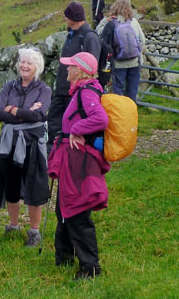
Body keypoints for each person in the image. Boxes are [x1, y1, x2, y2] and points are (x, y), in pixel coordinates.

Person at [47, 52, 110, 280]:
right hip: (71, 159)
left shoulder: (86, 93)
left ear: (80, 70)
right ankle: (64, 256)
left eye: (70, 66)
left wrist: (76, 130)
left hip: (79, 162)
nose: (66, 70)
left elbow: (101, 119)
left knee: (77, 210)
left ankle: (90, 268)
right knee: (64, 207)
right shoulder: (81, 91)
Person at [0, 48, 52, 246]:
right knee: (11, 185)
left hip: (33, 143)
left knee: (34, 186)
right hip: (9, 143)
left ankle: (34, 232)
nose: (24, 66)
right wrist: (25, 112)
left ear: (37, 67)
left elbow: (39, 116)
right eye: (22, 62)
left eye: (29, 63)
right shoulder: (9, 87)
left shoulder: (44, 90)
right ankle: (13, 225)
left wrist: (14, 109)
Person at [47, 2, 101, 150]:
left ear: (73, 18)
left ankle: (67, 151)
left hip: (76, 91)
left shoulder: (89, 37)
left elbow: (91, 66)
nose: (65, 18)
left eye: (67, 15)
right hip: (62, 88)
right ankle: (53, 151)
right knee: (53, 119)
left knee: (71, 122)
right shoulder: (71, 34)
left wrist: (80, 89)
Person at [100, 0, 145, 102]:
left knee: (118, 90)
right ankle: (132, 114)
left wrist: (105, 20)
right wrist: (137, 54)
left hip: (118, 63)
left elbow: (100, 36)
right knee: (132, 90)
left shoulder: (112, 23)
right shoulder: (134, 22)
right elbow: (142, 41)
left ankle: (120, 115)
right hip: (135, 62)